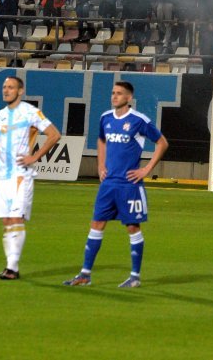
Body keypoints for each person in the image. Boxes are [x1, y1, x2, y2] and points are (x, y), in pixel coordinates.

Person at [62, 81, 169, 288]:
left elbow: (162, 143)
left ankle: (135, 277)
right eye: (113, 93)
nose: (114, 96)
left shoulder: (139, 120)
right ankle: (85, 274)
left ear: (129, 98)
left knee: (132, 227)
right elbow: (101, 140)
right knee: (96, 225)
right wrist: (100, 165)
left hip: (129, 184)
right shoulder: (106, 118)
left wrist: (146, 170)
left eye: (119, 93)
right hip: (108, 185)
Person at [0, 76, 61, 280]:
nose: (6, 90)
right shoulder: (0, 116)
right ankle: (9, 267)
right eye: (4, 87)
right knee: (7, 220)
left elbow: (54, 134)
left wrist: (34, 157)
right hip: (2, 175)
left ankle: (13, 269)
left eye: (11, 87)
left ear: (20, 91)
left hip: (21, 174)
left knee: (16, 218)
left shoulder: (31, 112)